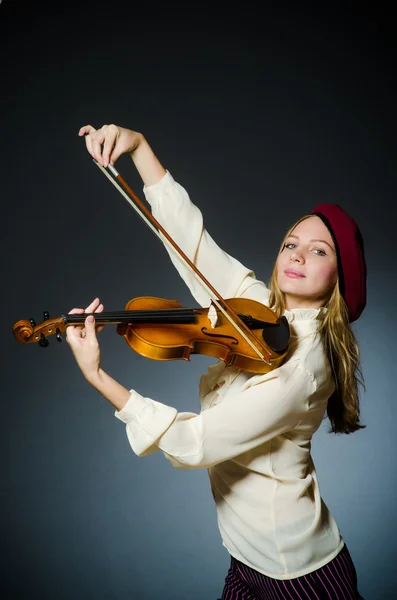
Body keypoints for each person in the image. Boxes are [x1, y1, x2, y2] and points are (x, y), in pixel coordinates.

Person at [66, 123, 367, 599]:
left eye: (319, 250)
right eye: (292, 243)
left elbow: (197, 442)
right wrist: (139, 147)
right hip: (245, 557)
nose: (298, 255)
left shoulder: (306, 365)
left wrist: (98, 376)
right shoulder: (258, 310)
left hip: (300, 574)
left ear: (338, 278)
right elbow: (195, 249)